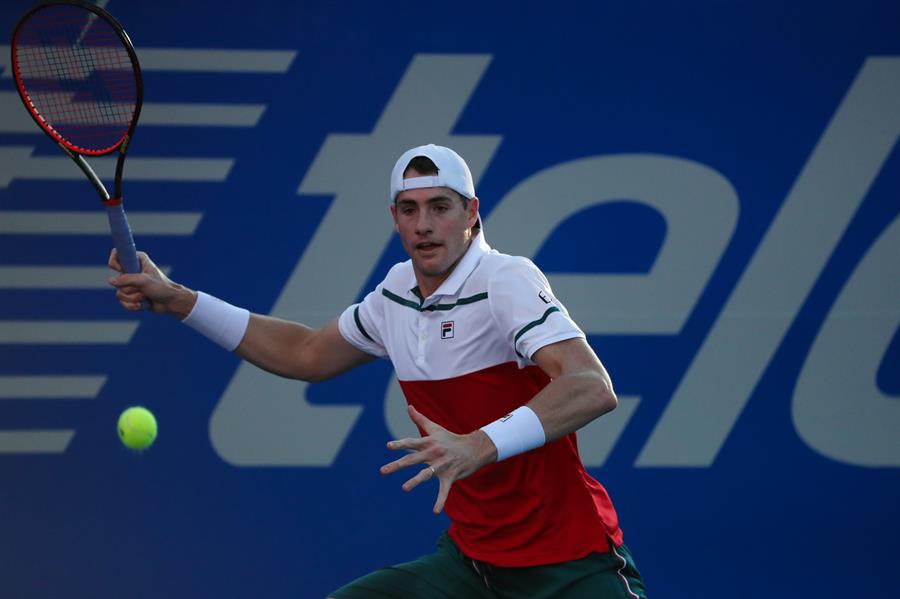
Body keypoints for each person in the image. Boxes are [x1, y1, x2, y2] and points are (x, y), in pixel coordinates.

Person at [108, 144, 647, 598]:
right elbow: (305, 354)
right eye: (409, 210)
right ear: (394, 218)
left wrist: (478, 445)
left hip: (569, 565)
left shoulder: (505, 280)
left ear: (472, 213)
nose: (424, 225)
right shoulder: (396, 295)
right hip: (473, 567)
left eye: (440, 207)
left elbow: (590, 387)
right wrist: (180, 300)